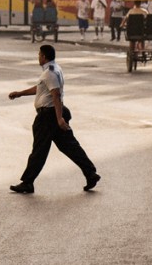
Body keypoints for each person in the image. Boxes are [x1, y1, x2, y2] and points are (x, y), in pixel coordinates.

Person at [8, 44, 100, 194]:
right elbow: (41, 89)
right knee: (70, 146)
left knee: (39, 150)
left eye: (39, 55)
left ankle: (27, 182)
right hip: (53, 114)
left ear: (44, 56)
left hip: (48, 116)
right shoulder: (54, 69)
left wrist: (59, 119)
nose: (38, 57)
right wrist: (20, 93)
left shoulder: (49, 73)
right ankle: (90, 173)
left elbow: (55, 95)